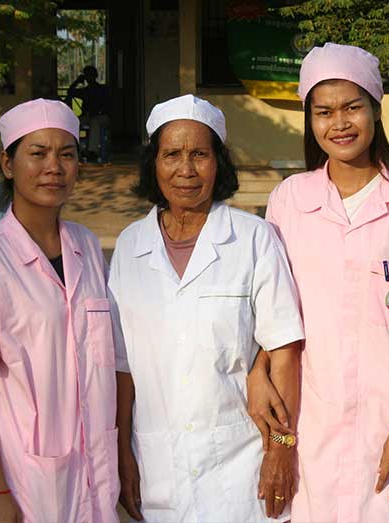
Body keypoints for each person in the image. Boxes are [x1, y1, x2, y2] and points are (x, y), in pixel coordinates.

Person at [248, 43, 389, 522]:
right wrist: (257, 368)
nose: (339, 123)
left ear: (375, 109)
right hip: (315, 419)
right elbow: (274, 308)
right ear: (310, 120)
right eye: (323, 112)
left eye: (352, 107)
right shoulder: (291, 199)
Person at [109, 94, 305, 523]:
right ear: (153, 163)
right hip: (160, 467)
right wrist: (122, 452)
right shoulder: (128, 248)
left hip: (242, 469)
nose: (186, 169)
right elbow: (122, 367)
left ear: (219, 162)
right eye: (172, 154)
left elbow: (285, 350)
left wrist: (281, 452)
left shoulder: (254, 238)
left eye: (200, 154)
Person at [0, 98, 121, 522]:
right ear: (8, 163)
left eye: (67, 154)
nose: (53, 167)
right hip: (26, 482)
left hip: (95, 472)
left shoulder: (88, 247)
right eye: (37, 153)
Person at [67, 65, 110, 161]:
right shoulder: (85, 91)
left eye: (91, 75)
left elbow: (108, 105)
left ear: (95, 76)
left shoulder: (102, 89)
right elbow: (70, 92)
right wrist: (77, 81)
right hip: (88, 117)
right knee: (74, 122)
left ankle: (92, 151)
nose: (89, 78)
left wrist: (97, 112)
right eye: (87, 75)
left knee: (95, 122)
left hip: (102, 116)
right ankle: (76, 149)